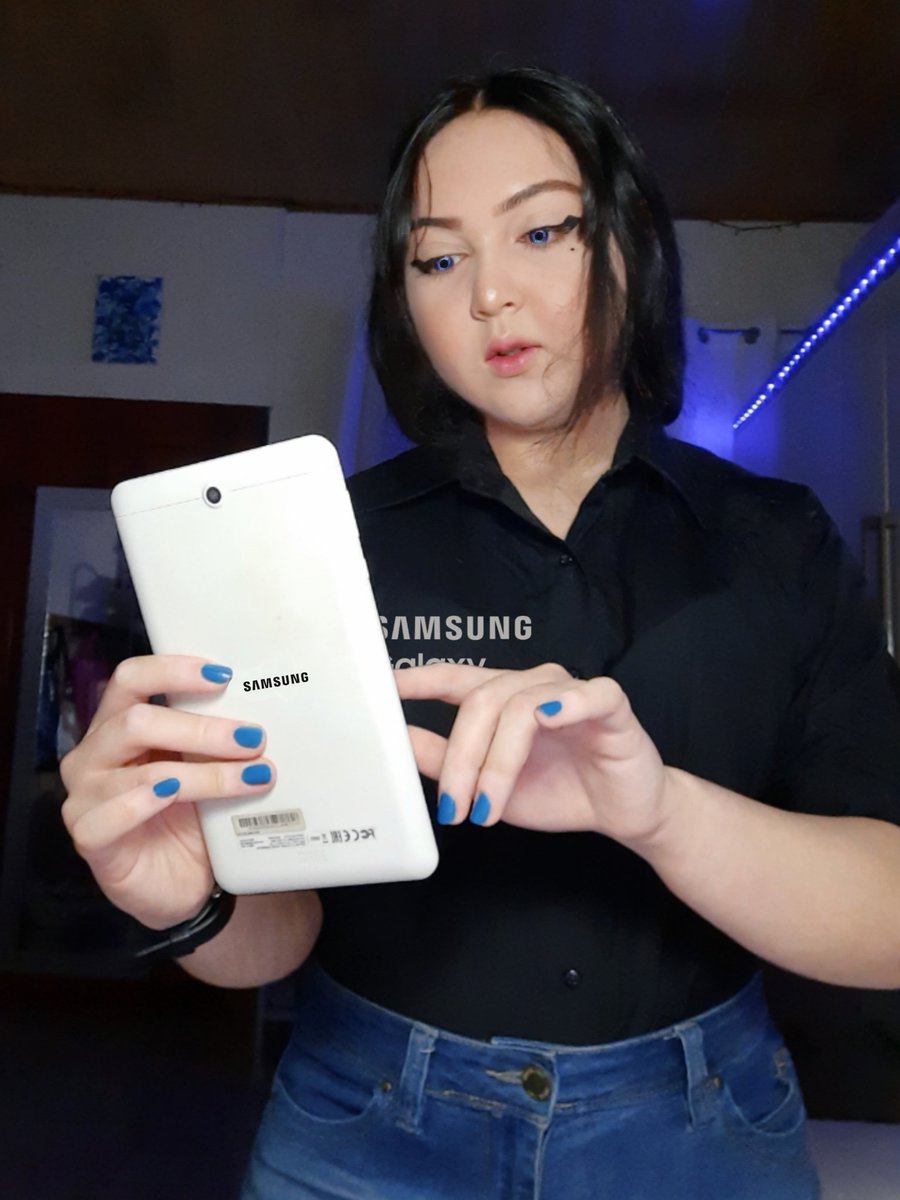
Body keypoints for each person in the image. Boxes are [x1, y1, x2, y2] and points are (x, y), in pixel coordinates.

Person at [60, 66, 900, 1199]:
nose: (491, 295)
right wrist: (190, 899)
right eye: (439, 259)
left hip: (699, 1131)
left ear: (628, 242)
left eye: (543, 232)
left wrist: (658, 811)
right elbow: (281, 931)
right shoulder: (323, 544)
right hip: (366, 1129)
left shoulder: (776, 540)